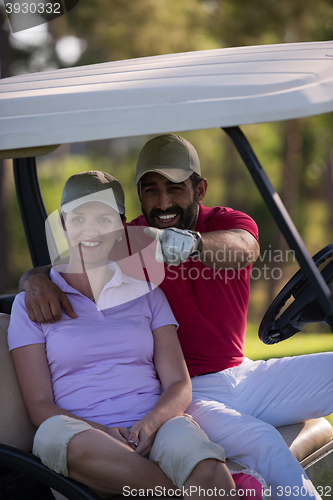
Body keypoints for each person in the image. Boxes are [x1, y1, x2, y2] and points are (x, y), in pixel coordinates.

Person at [19, 135, 333, 500]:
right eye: (151, 190)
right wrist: (33, 279)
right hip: (188, 390)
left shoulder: (225, 222)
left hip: (241, 372)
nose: (163, 201)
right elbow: (72, 260)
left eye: (175, 188)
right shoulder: (129, 238)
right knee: (263, 442)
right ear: (139, 195)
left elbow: (244, 248)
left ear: (199, 188)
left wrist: (193, 244)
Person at [8, 170, 268, 500]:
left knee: (208, 470)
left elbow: (178, 384)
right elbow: (39, 405)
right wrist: (105, 434)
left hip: (155, 427)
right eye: (79, 219)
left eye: (103, 218)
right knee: (52, 435)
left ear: (120, 226)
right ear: (63, 224)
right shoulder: (31, 304)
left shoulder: (147, 293)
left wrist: (148, 425)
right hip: (82, 437)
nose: (91, 230)